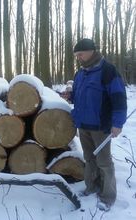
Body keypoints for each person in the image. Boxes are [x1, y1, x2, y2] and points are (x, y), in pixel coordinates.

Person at [65, 38, 127, 211]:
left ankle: (108, 197)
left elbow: (119, 99)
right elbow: (78, 96)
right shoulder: (80, 73)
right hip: (83, 125)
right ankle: (91, 187)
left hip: (101, 127)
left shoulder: (108, 71)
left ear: (91, 51)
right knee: (89, 159)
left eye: (80, 54)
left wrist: (118, 123)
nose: (78, 58)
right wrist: (69, 97)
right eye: (76, 55)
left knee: (104, 162)